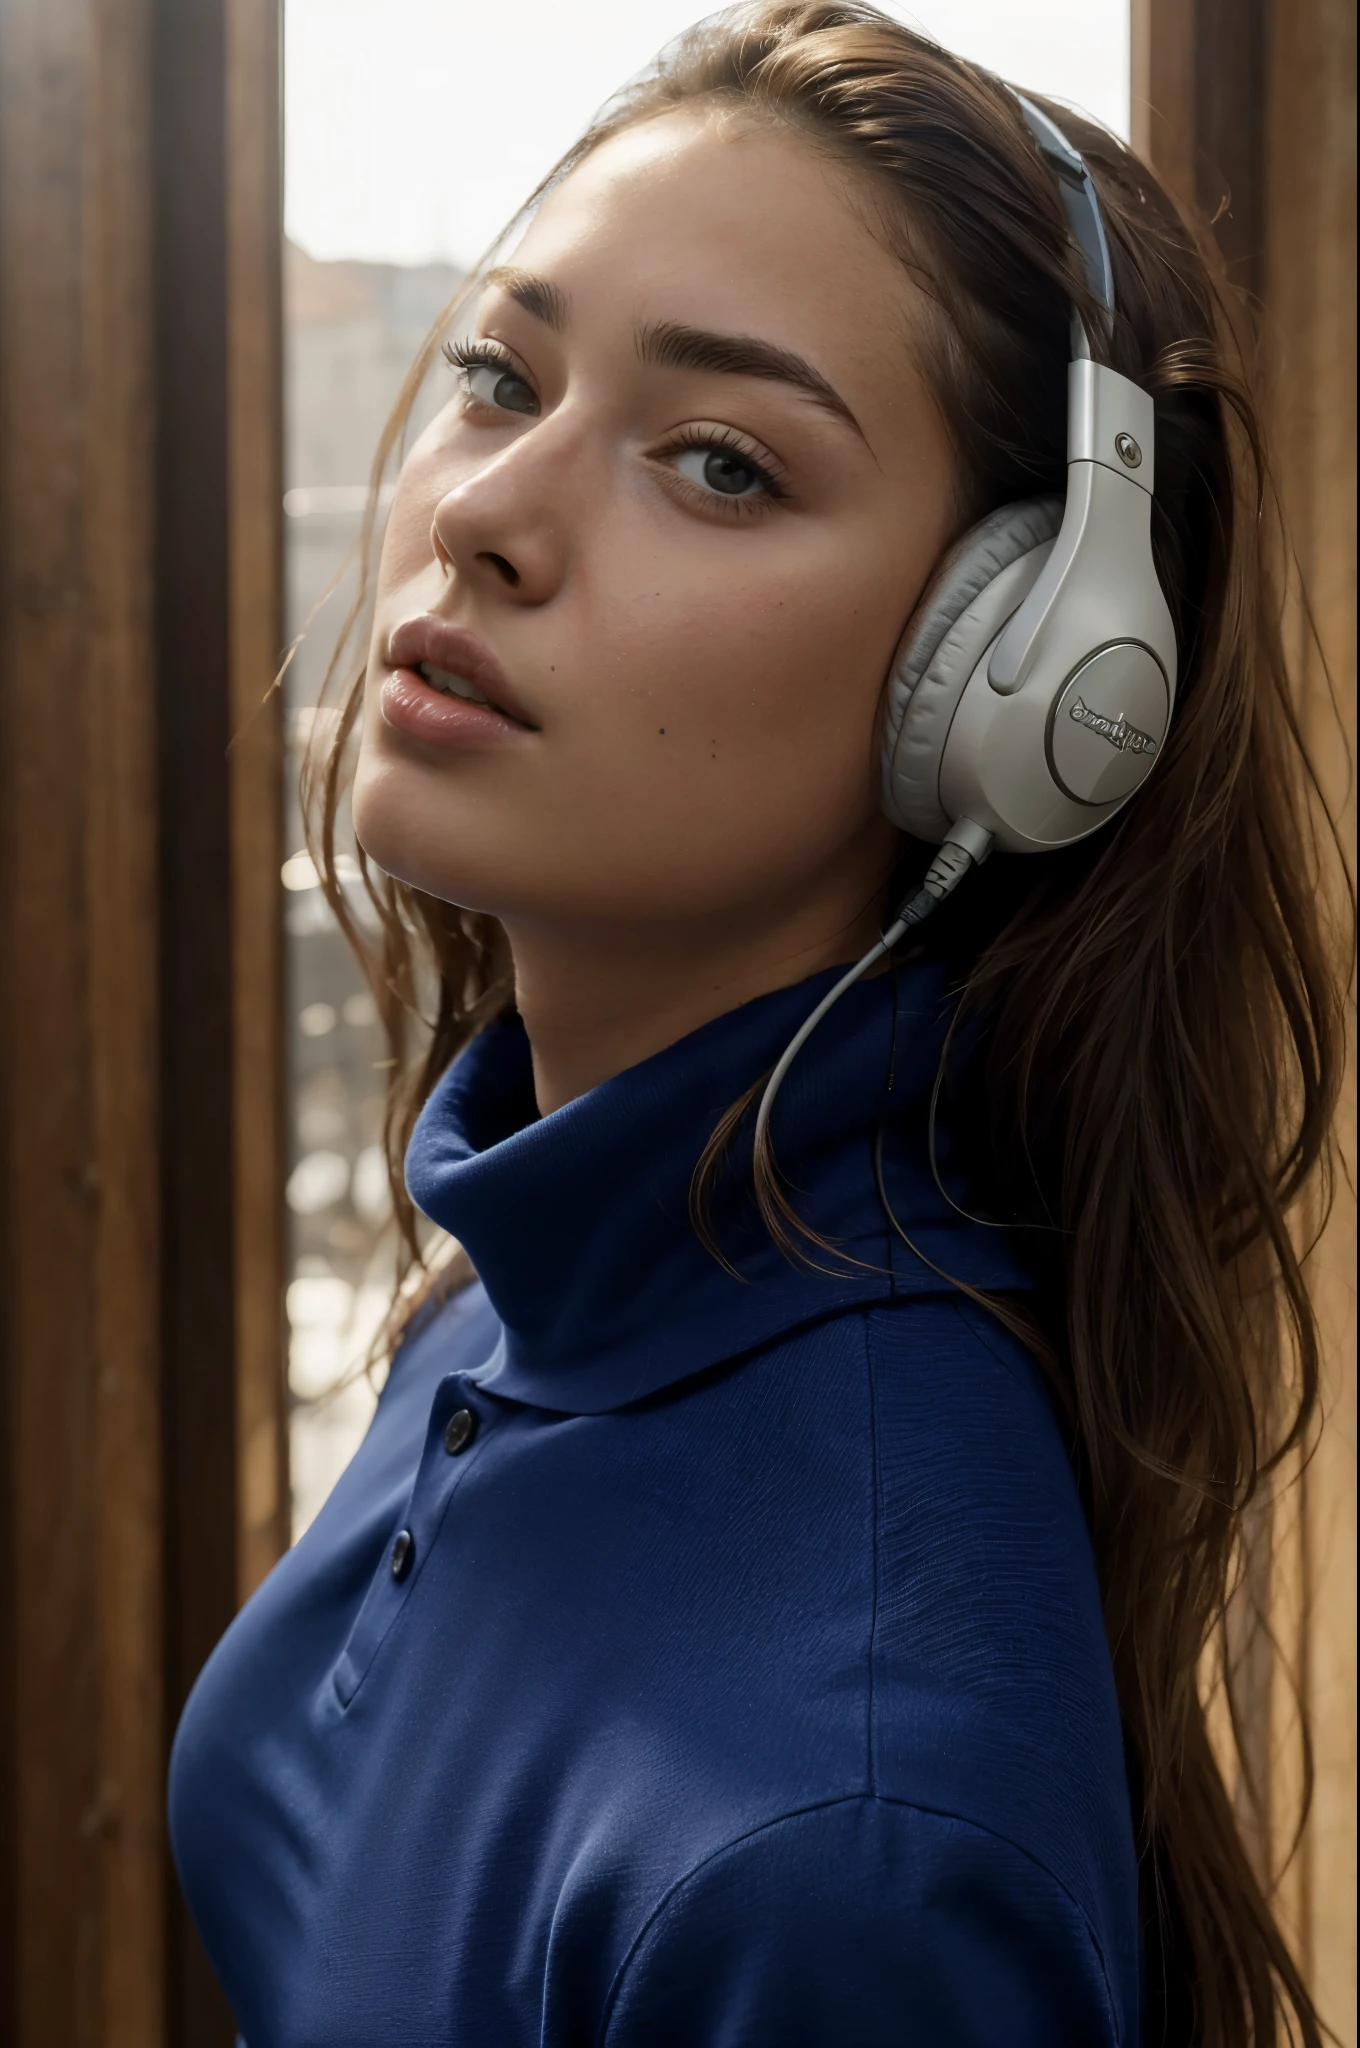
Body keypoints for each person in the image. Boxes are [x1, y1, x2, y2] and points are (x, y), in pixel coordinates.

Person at [168, 6, 1346, 2043]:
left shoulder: (849, 1855)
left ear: (1019, 689)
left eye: (717, 462)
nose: (488, 512)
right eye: (495, 375)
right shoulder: (536, 1269)